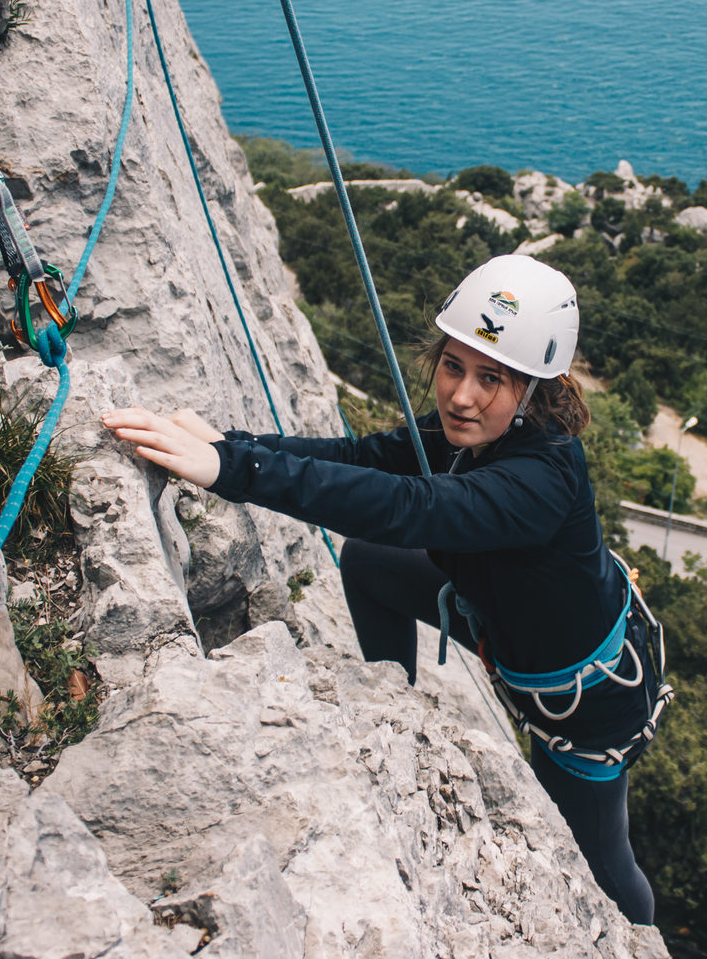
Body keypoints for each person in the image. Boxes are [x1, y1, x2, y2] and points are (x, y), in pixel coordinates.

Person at [101, 254, 667, 924]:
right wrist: (235, 446)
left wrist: (234, 471)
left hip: (587, 701)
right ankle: (395, 705)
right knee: (370, 563)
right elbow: (362, 459)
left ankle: (641, 938)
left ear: (534, 391)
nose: (461, 396)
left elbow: (406, 507)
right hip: (508, 622)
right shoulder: (466, 435)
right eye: (453, 366)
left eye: (492, 378)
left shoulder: (543, 478)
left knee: (601, 860)